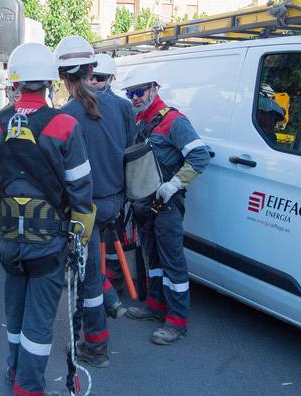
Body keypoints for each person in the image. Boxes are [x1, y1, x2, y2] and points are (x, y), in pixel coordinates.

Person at [0, 43, 95, 396]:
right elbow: (81, 192)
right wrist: (81, 239)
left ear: (14, 82)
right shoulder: (65, 126)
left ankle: (15, 371)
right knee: (40, 322)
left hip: (9, 242)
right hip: (48, 243)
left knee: (16, 313)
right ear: (49, 81)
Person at [55, 37, 133, 367]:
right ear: (92, 70)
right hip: (115, 202)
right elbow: (128, 151)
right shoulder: (123, 107)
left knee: (86, 277)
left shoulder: (67, 115)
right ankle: (111, 298)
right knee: (90, 270)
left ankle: (96, 345)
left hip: (87, 208)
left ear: (62, 77)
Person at [121, 67, 210, 345]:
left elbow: (199, 156)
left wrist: (175, 184)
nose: (134, 98)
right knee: (153, 259)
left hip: (166, 205)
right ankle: (156, 305)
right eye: (130, 93)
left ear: (154, 89)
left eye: (139, 92)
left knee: (172, 262)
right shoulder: (139, 123)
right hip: (144, 205)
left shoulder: (174, 121)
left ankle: (176, 320)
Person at [89, 51, 137, 316]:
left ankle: (109, 284)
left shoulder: (121, 106)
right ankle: (108, 285)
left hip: (101, 192)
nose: (95, 82)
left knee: (102, 242)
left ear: (110, 79)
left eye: (100, 78)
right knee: (103, 240)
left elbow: (130, 147)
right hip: (113, 192)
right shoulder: (123, 107)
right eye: (93, 77)